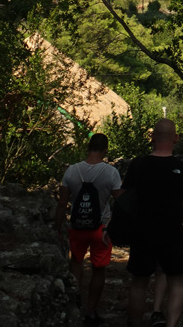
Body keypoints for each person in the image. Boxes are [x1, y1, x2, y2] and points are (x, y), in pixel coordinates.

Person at [123, 118, 183, 327]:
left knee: (139, 282)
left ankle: (135, 323)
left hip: (142, 232)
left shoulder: (138, 165)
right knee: (176, 282)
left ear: (151, 137)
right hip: (172, 234)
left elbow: (123, 198)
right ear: (176, 139)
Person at [55, 132, 122, 327]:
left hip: (77, 227)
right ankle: (91, 312)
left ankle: (74, 307)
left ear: (88, 147)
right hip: (101, 229)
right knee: (98, 269)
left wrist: (57, 227)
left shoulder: (71, 171)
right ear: (105, 150)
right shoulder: (111, 173)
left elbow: (62, 203)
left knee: (76, 263)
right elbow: (120, 202)